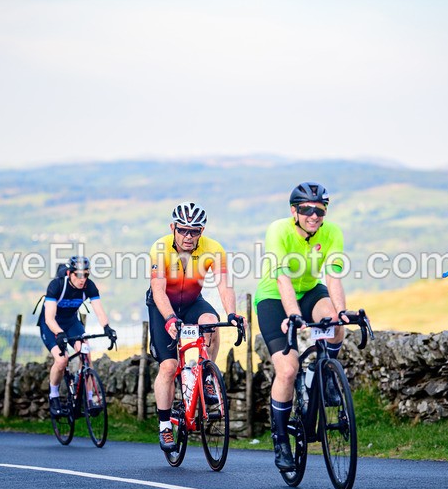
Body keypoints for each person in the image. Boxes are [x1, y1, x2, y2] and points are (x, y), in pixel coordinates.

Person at [254, 182, 348, 471]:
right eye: (307, 210)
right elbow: (282, 278)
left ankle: (324, 372)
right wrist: (293, 315)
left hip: (309, 291)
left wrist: (342, 312)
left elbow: (333, 277)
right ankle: (281, 439)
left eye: (320, 210)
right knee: (287, 369)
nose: (314, 216)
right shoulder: (278, 230)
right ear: (294, 211)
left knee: (335, 323)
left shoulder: (332, 232)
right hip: (273, 298)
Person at [147, 201, 241, 451]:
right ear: (173, 228)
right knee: (168, 367)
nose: (188, 236)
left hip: (191, 303)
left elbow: (224, 285)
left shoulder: (213, 249)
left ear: (202, 231)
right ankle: (165, 426)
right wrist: (169, 318)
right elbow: (158, 290)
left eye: (194, 231)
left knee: (211, 323)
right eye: (183, 230)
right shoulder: (160, 248)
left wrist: (232, 313)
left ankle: (206, 373)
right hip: (162, 307)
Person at [39, 256, 116, 416]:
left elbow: (99, 311)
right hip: (51, 325)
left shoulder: (89, 286)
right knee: (62, 360)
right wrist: (59, 333)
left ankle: (89, 399)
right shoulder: (57, 285)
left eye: (86, 275)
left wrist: (107, 328)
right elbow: (49, 318)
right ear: (69, 273)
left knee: (85, 353)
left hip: (71, 323)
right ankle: (53, 396)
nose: (83, 279)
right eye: (79, 275)